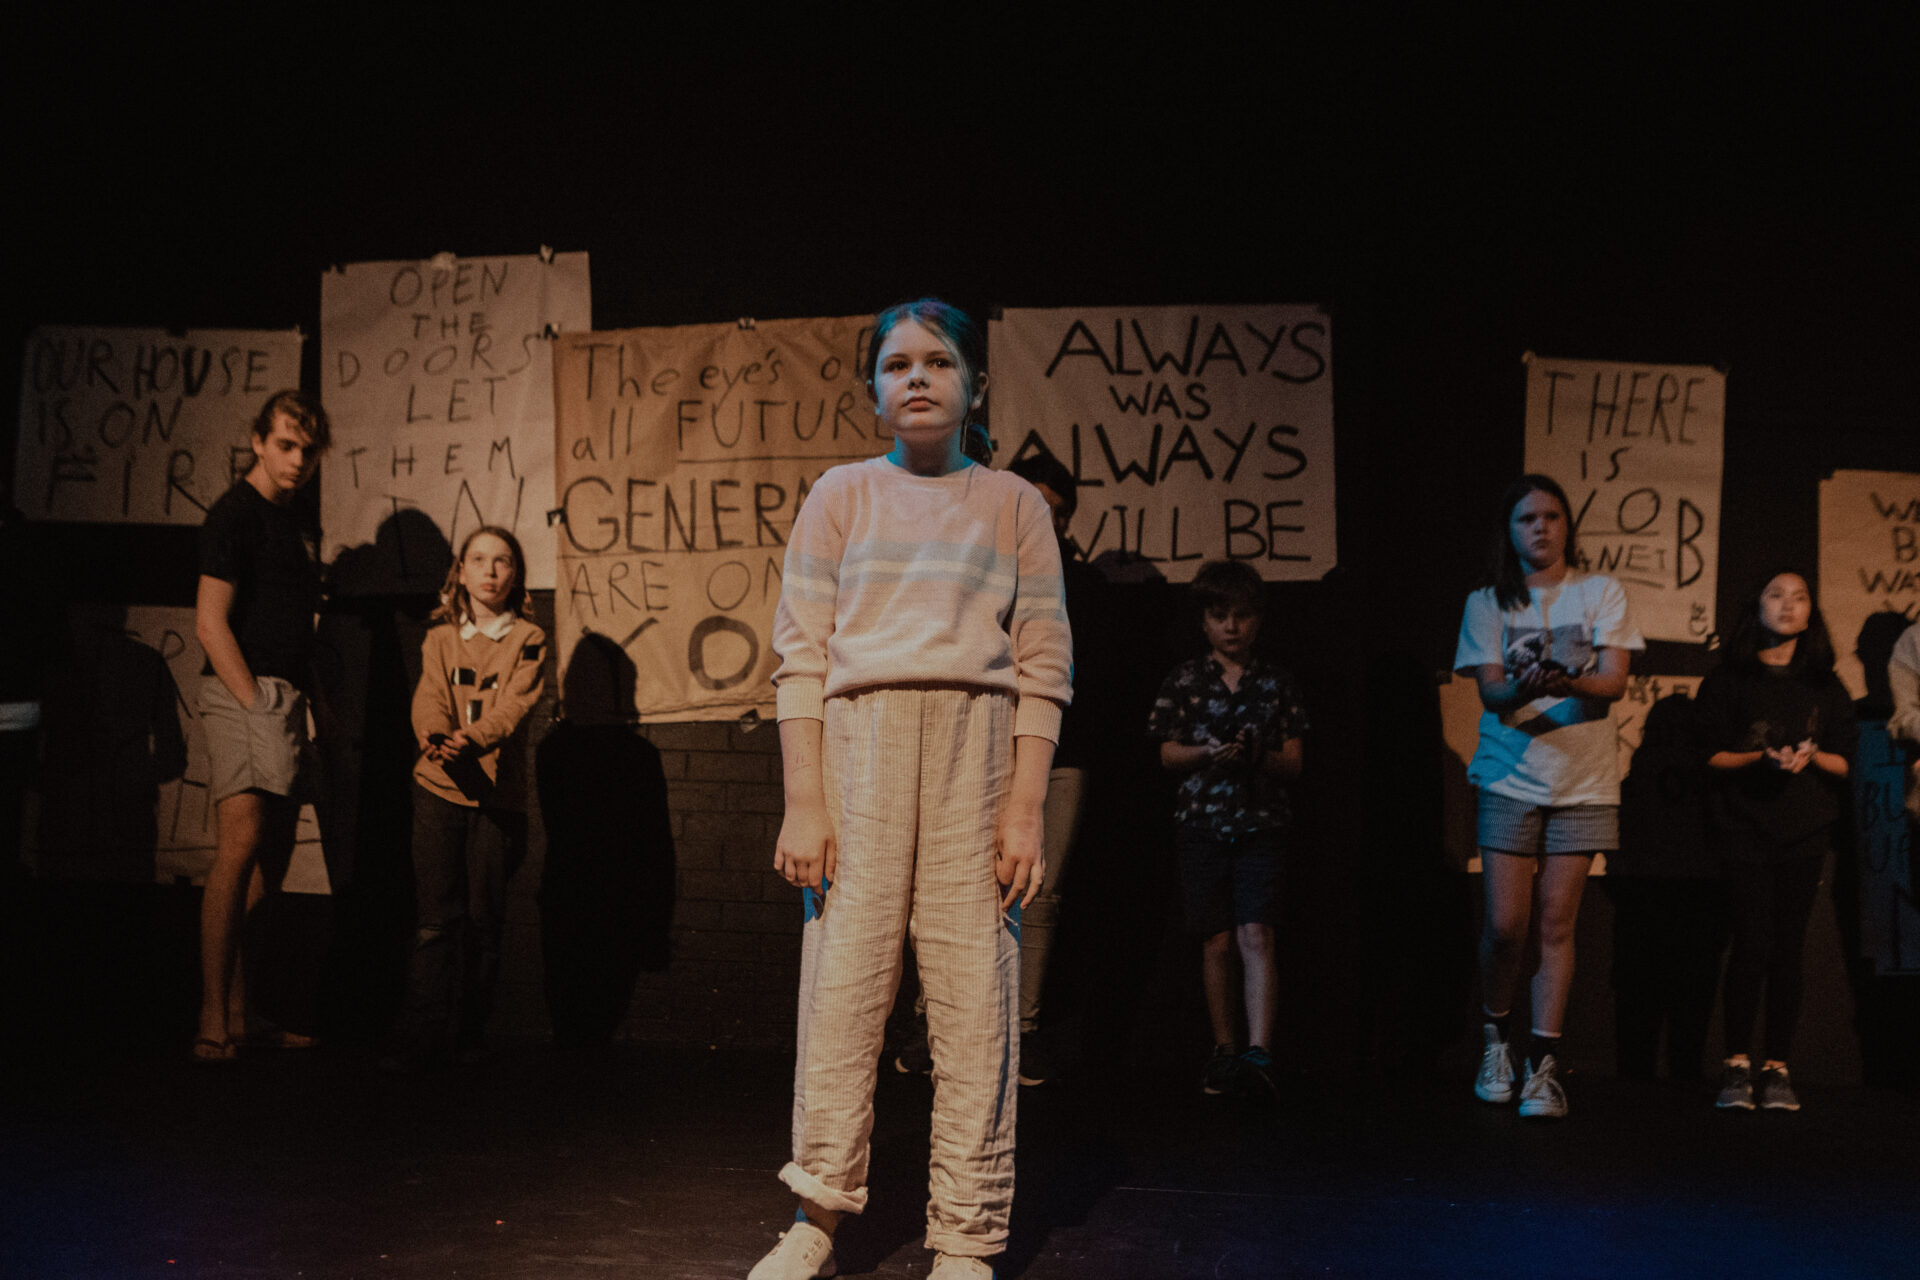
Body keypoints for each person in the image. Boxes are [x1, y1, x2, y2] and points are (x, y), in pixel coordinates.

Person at [751, 299, 1071, 1280]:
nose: (918, 377)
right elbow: (798, 659)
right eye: (897, 364)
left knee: (975, 995)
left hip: (975, 752)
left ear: (975, 381)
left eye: (939, 361)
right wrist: (806, 799)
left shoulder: (1013, 502)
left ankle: (966, 1231)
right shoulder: (840, 495)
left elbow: (1044, 661)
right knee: (844, 989)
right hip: (862, 748)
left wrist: (1023, 807)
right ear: (877, 389)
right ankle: (817, 1210)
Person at [1453, 474, 1642, 1118]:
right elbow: (1492, 694)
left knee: (1557, 926)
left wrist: (1568, 680)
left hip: (1584, 785)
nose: (1540, 527)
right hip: (1509, 777)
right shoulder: (1487, 602)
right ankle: (1494, 1040)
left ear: (1567, 525)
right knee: (1506, 926)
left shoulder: (1601, 591)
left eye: (1552, 516)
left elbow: (1614, 683)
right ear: (1509, 531)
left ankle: (1544, 1066)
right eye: (1526, 518)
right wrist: (1529, 685)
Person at [193, 390, 330, 1062]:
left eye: (307, 449)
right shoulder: (235, 514)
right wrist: (254, 704)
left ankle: (245, 1013)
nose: (297, 459)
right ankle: (212, 1019)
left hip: (285, 694)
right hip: (243, 692)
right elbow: (209, 621)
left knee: (267, 865)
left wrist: (306, 701)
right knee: (238, 845)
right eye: (285, 444)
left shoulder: (295, 519)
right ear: (258, 441)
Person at [387, 526, 546, 1070]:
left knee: (483, 923)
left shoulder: (528, 639)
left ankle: (470, 1037)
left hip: (496, 804)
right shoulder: (438, 637)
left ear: (516, 573)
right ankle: (422, 1038)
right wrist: (434, 735)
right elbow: (429, 696)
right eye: (479, 559)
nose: (491, 571)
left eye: (503, 561)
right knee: (435, 922)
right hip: (438, 791)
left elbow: (512, 708)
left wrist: (471, 740)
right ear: (461, 570)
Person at [1148, 559, 1307, 1099]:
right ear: (1204, 621)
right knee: (1215, 939)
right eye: (1220, 616)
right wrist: (1209, 753)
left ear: (1258, 620)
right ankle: (1224, 1049)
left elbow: (1294, 762)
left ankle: (1260, 1052)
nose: (1232, 627)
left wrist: (1257, 754)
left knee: (1256, 934)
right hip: (1202, 823)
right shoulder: (1185, 680)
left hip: (1262, 823)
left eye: (1242, 616)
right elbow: (1167, 753)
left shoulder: (1276, 682)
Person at [1698, 571, 1855, 1112]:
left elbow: (1844, 762)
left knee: (1788, 948)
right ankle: (1737, 1064)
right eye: (1775, 595)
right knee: (1751, 944)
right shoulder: (1728, 681)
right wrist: (1761, 759)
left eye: (1800, 597)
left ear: (1811, 612)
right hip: (1744, 831)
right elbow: (1712, 756)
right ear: (1756, 606)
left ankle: (1778, 1067)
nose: (1788, 606)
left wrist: (1810, 759)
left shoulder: (1825, 685)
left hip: (1804, 834)